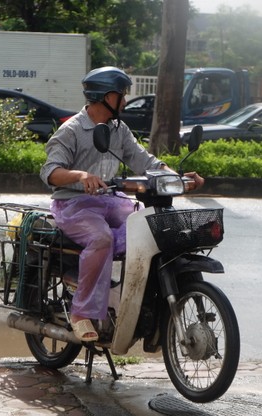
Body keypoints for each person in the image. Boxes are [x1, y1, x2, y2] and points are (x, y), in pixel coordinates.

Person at [40, 66, 204, 342]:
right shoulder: (72, 130)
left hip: (109, 201)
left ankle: (124, 297)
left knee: (152, 228)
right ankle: (81, 312)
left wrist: (177, 178)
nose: (125, 102)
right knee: (102, 238)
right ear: (104, 96)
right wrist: (80, 176)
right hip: (73, 205)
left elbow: (146, 161)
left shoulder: (118, 129)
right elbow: (50, 172)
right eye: (121, 95)